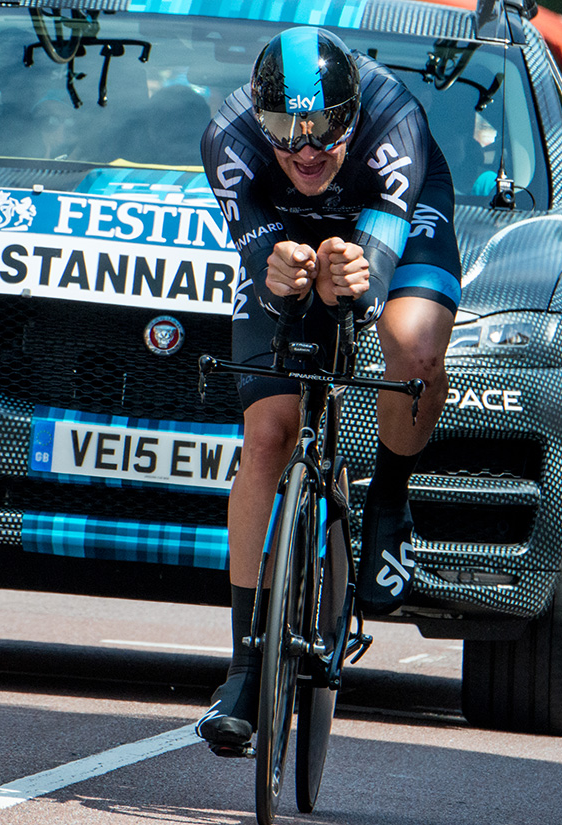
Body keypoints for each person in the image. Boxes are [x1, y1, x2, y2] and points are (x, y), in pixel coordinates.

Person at [195, 27, 459, 753]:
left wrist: (354, 272)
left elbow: (370, 265)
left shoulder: (394, 112)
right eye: (285, 131)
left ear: (351, 111)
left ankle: (388, 504)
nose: (307, 149)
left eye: (326, 128)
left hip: (390, 212)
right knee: (270, 435)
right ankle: (245, 669)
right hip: (290, 229)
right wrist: (280, 268)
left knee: (411, 343)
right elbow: (263, 254)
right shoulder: (227, 135)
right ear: (258, 115)